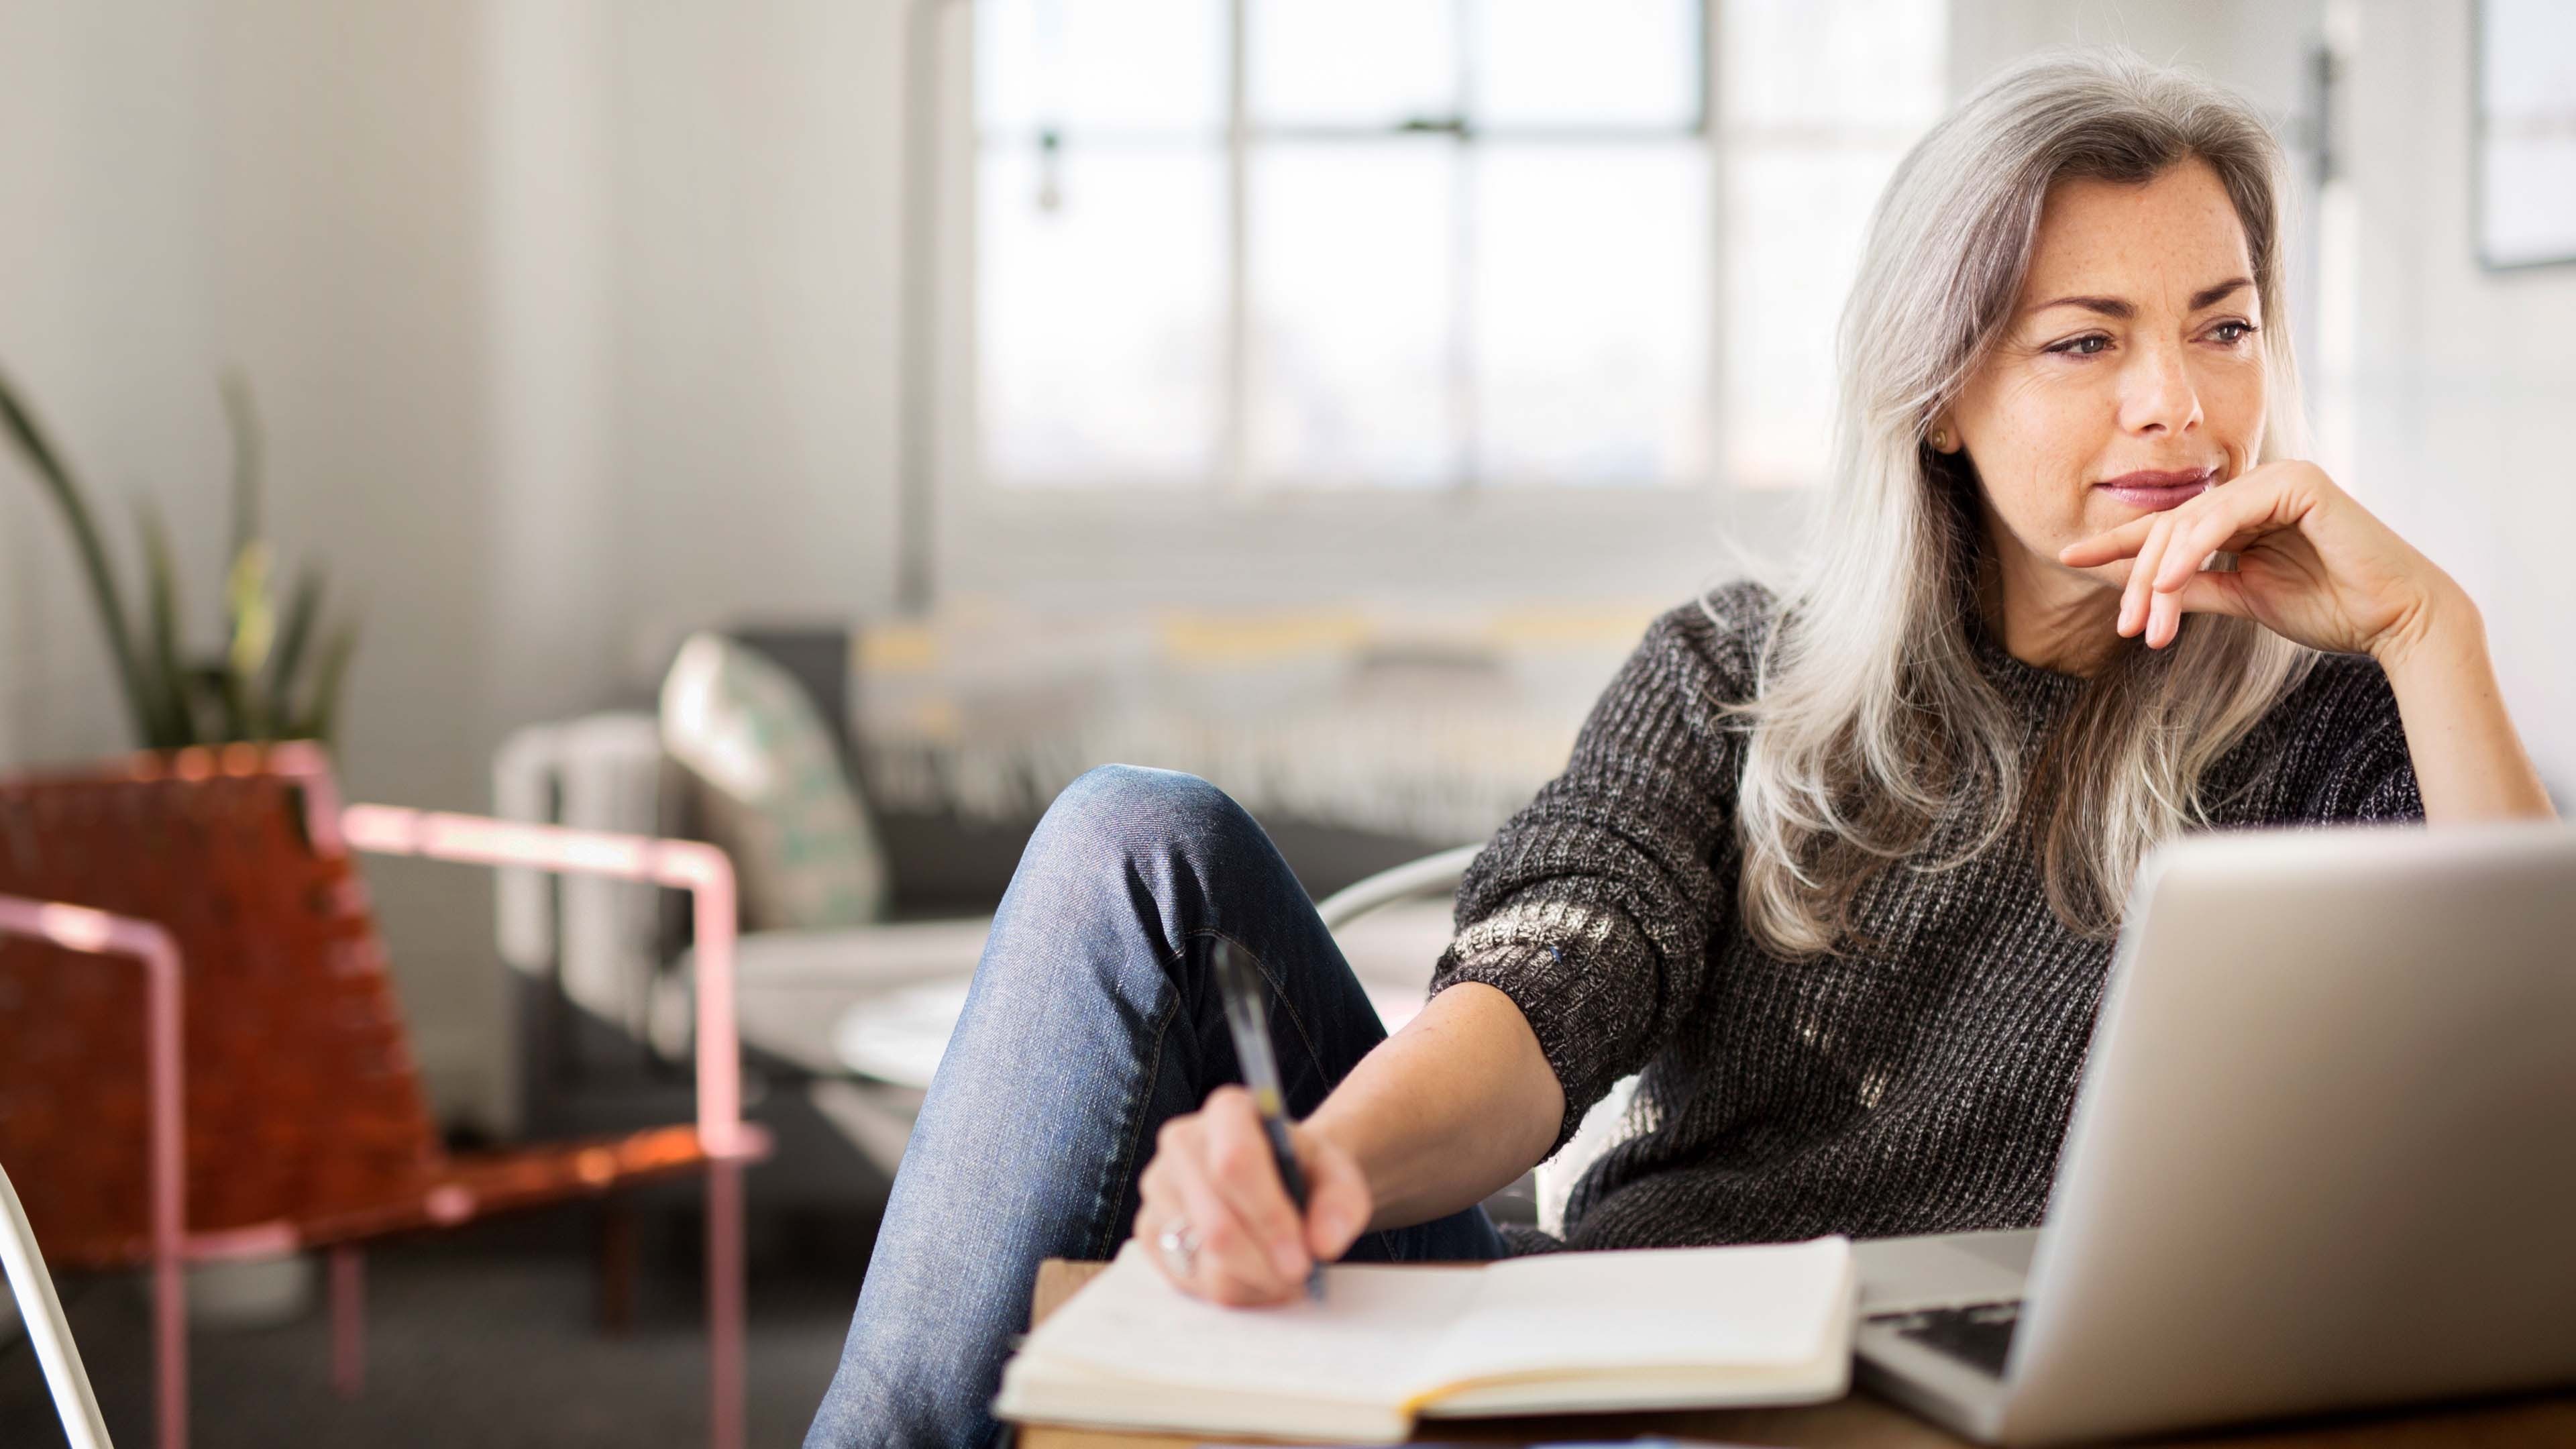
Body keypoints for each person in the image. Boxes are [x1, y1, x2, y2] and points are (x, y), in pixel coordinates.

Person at [803, 48, 2557, 1449]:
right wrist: (1331, 1164)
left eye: (2224, 324)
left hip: (1988, 1392)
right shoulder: (1738, 675)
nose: (2176, 403)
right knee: (1135, 838)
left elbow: (2529, 1113)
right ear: (1942, 391)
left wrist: (2431, 632)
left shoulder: (2337, 731)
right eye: (2085, 341)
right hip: (1636, 1352)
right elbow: (1548, 993)